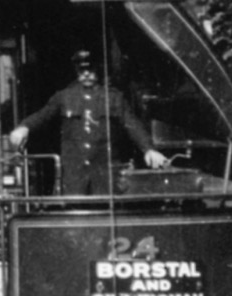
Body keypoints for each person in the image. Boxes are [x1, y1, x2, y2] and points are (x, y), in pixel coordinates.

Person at [9, 49, 168, 195]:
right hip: (75, 174)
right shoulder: (64, 97)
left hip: (104, 173)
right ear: (76, 70)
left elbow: (132, 124)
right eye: (81, 70)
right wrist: (25, 127)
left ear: (97, 69)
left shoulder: (113, 97)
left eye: (90, 69)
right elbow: (43, 115)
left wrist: (148, 149)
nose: (86, 74)